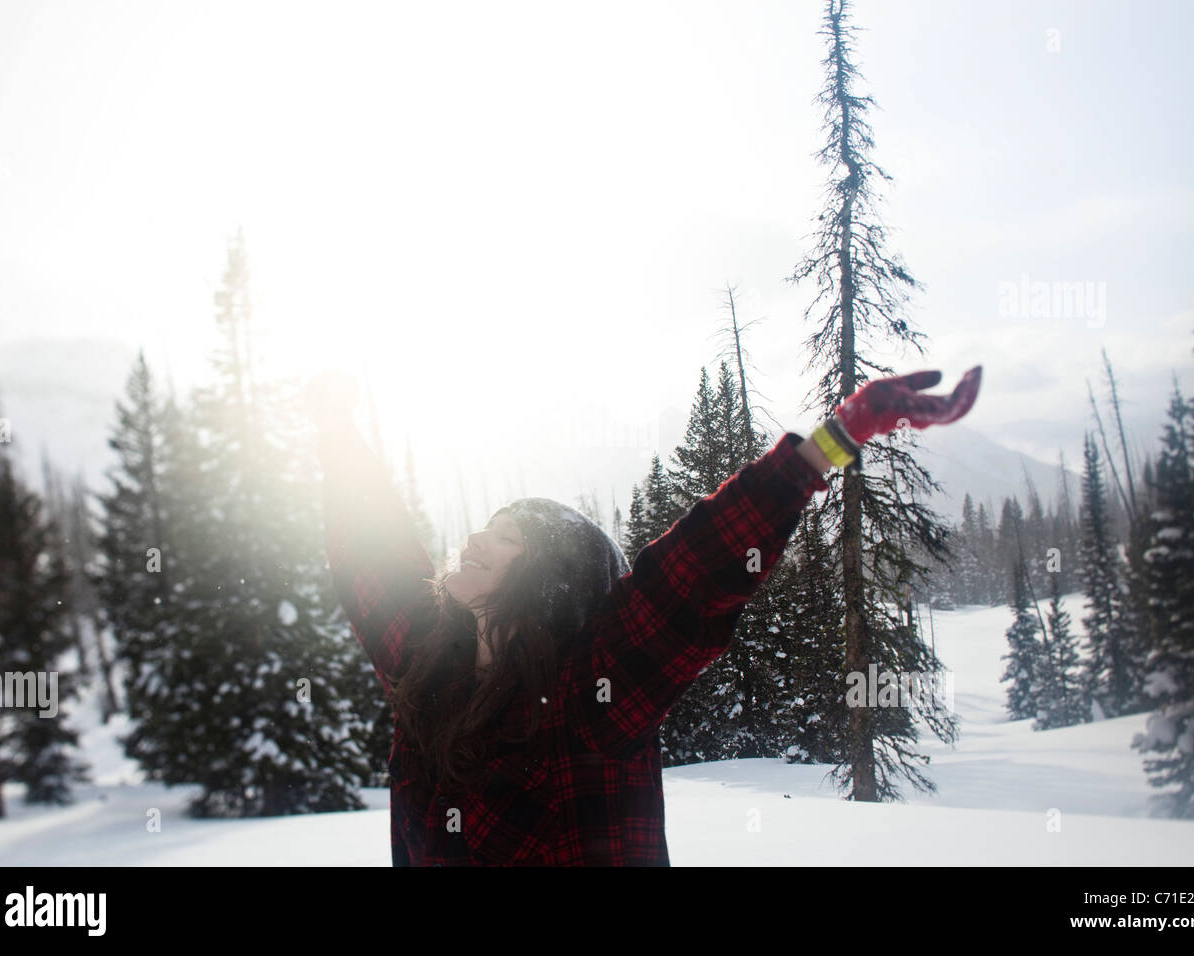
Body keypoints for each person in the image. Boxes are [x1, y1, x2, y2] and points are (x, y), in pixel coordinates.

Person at [304, 365, 982, 865]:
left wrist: (836, 437)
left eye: (508, 538)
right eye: (485, 527)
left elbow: (693, 573)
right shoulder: (423, 664)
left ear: (550, 581)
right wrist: (335, 430)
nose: (477, 540)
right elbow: (376, 550)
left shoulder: (593, 695)